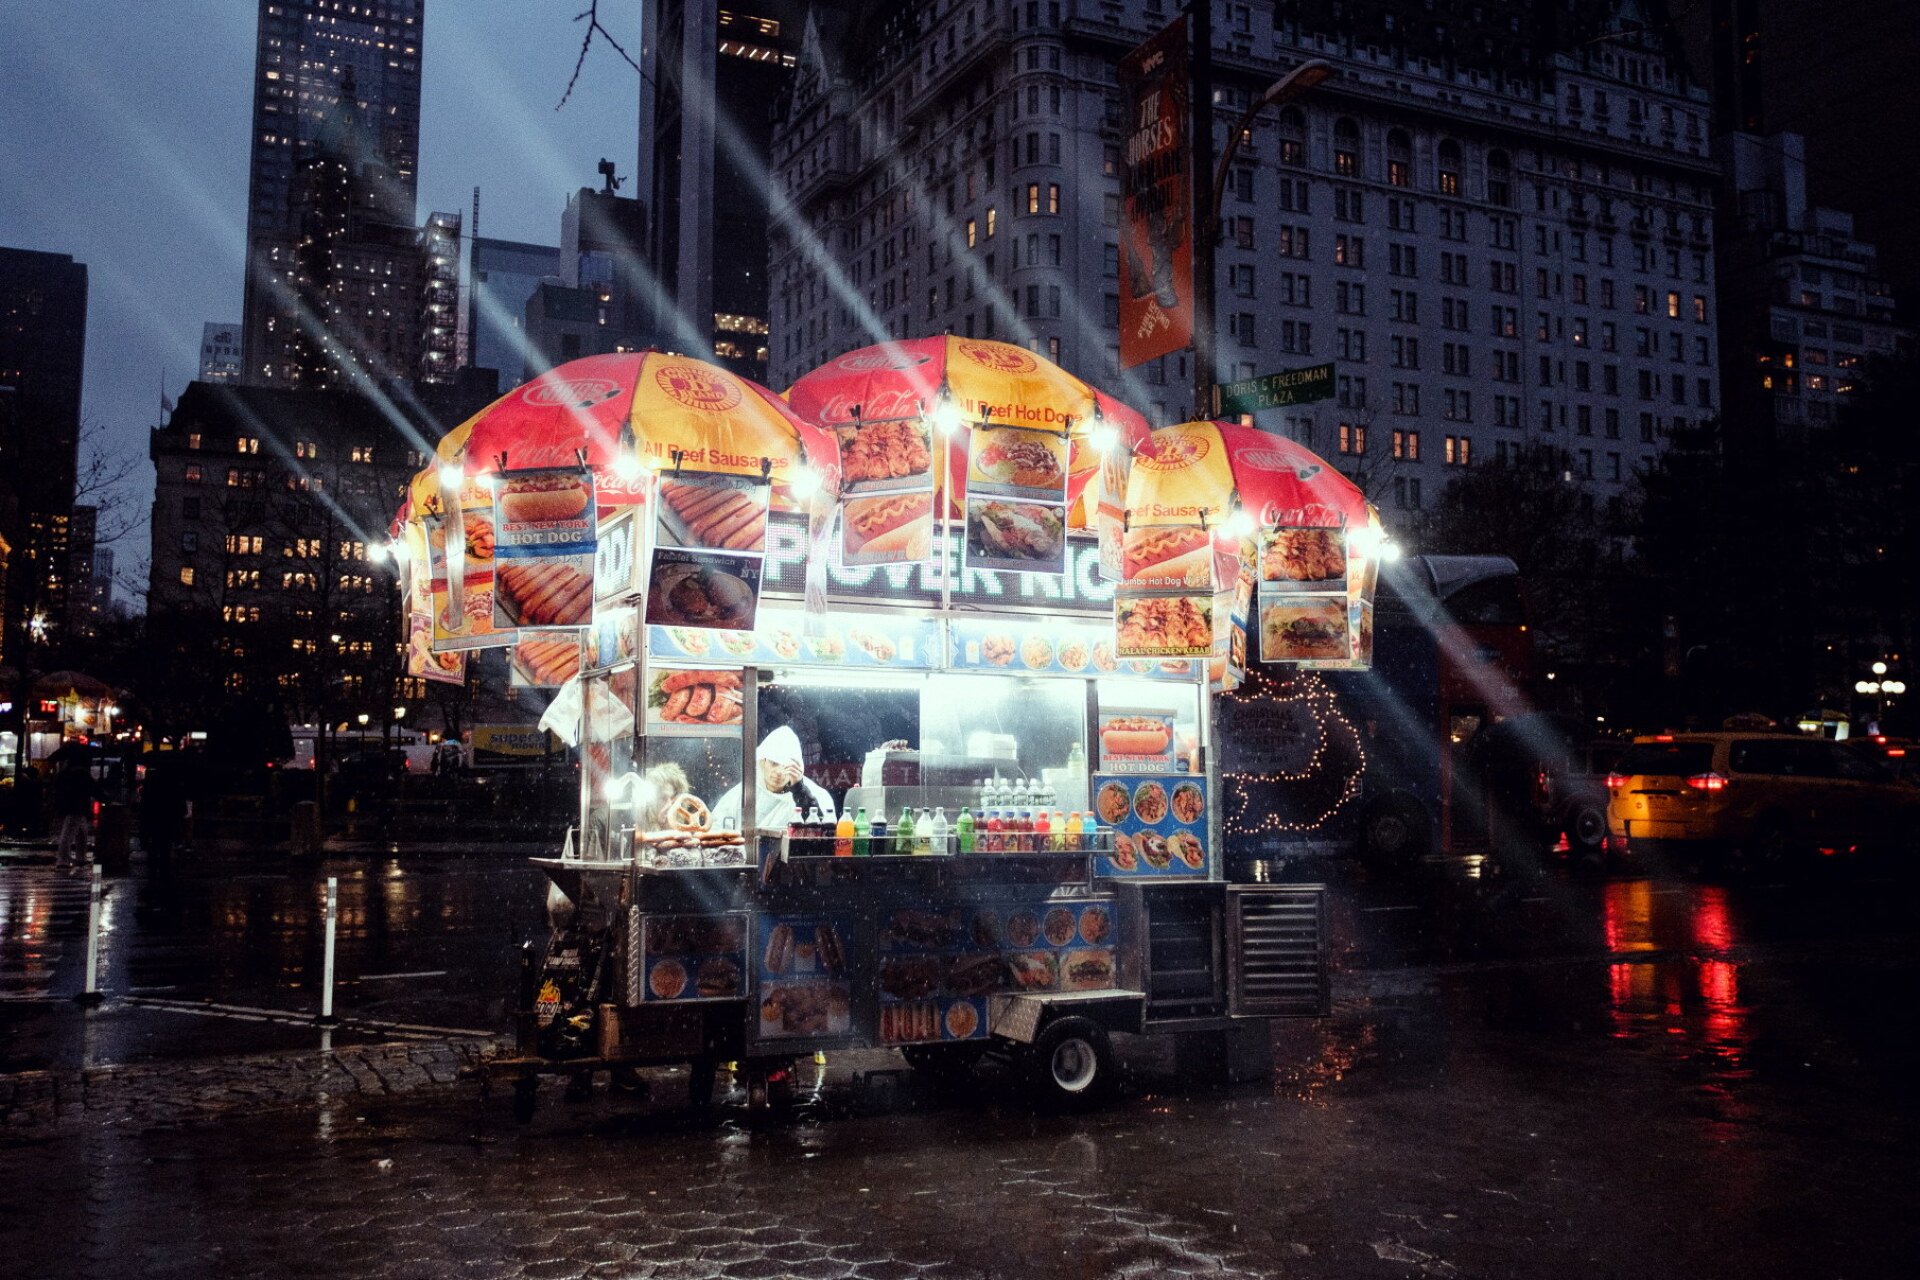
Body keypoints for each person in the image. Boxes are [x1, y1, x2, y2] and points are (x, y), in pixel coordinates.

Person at [710, 725, 835, 833]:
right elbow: (715, 829)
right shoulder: (741, 794)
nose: (779, 772)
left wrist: (800, 790)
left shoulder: (816, 795)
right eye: (774, 763)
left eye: (786, 766)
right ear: (763, 762)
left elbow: (823, 835)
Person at [51, 753, 96, 870]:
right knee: (69, 834)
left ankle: (80, 858)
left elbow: (56, 789)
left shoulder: (64, 774)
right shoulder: (82, 773)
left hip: (67, 806)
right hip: (77, 807)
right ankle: (63, 860)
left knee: (81, 833)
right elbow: (93, 789)